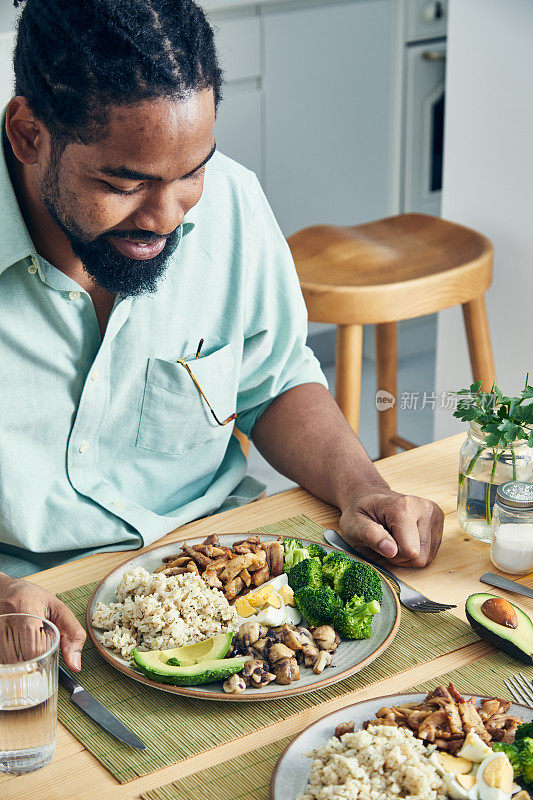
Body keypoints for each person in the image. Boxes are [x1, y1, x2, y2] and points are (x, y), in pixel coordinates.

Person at [0, 0, 444, 671]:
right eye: (124, 183)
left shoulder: (233, 200)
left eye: (191, 173)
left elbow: (273, 382)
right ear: (29, 133)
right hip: (33, 619)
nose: (166, 218)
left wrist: (360, 487)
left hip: (230, 581)